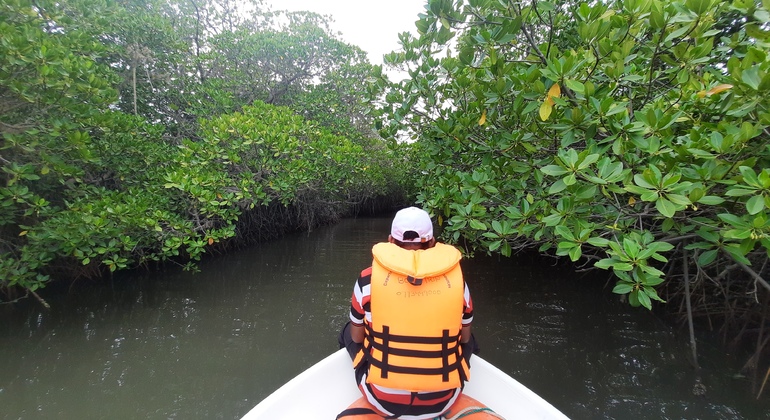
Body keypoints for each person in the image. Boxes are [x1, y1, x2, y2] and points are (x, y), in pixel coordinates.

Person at [338, 207, 478, 419]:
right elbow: (464, 337)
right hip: (444, 399)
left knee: (349, 330)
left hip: (382, 399)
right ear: (432, 243)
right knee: (469, 338)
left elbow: (358, 337)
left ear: (390, 241)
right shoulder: (458, 283)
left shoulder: (367, 279)